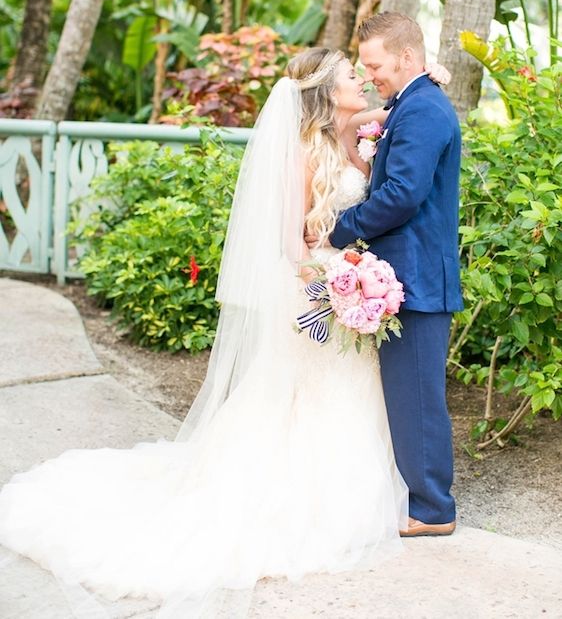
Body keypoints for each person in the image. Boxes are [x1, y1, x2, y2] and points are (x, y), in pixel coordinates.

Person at [0, 45, 450, 618]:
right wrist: (339, 275)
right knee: (303, 401)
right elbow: (291, 245)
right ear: (324, 92)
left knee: (358, 395)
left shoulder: (362, 133)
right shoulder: (304, 152)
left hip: (354, 291)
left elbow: (402, 104)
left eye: (363, 72)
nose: (361, 80)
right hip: (319, 293)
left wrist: (429, 73)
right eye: (349, 75)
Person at [326, 12, 463, 537]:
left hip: (418, 275)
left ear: (407, 57)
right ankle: (423, 499)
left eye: (376, 65)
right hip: (406, 271)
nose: (370, 75)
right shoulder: (412, 102)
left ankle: (433, 510)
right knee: (408, 393)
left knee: (419, 396)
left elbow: (402, 195)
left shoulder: (423, 110)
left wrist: (342, 229)